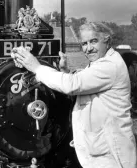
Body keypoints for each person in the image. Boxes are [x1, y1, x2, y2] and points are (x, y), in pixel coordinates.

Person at [11, 22, 137, 168]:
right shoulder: (100, 62)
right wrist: (65, 71)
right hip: (101, 148)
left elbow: (73, 84)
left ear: (106, 41)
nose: (88, 48)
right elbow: (84, 85)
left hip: (111, 153)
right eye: (84, 44)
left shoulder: (110, 65)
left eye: (93, 41)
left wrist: (36, 67)